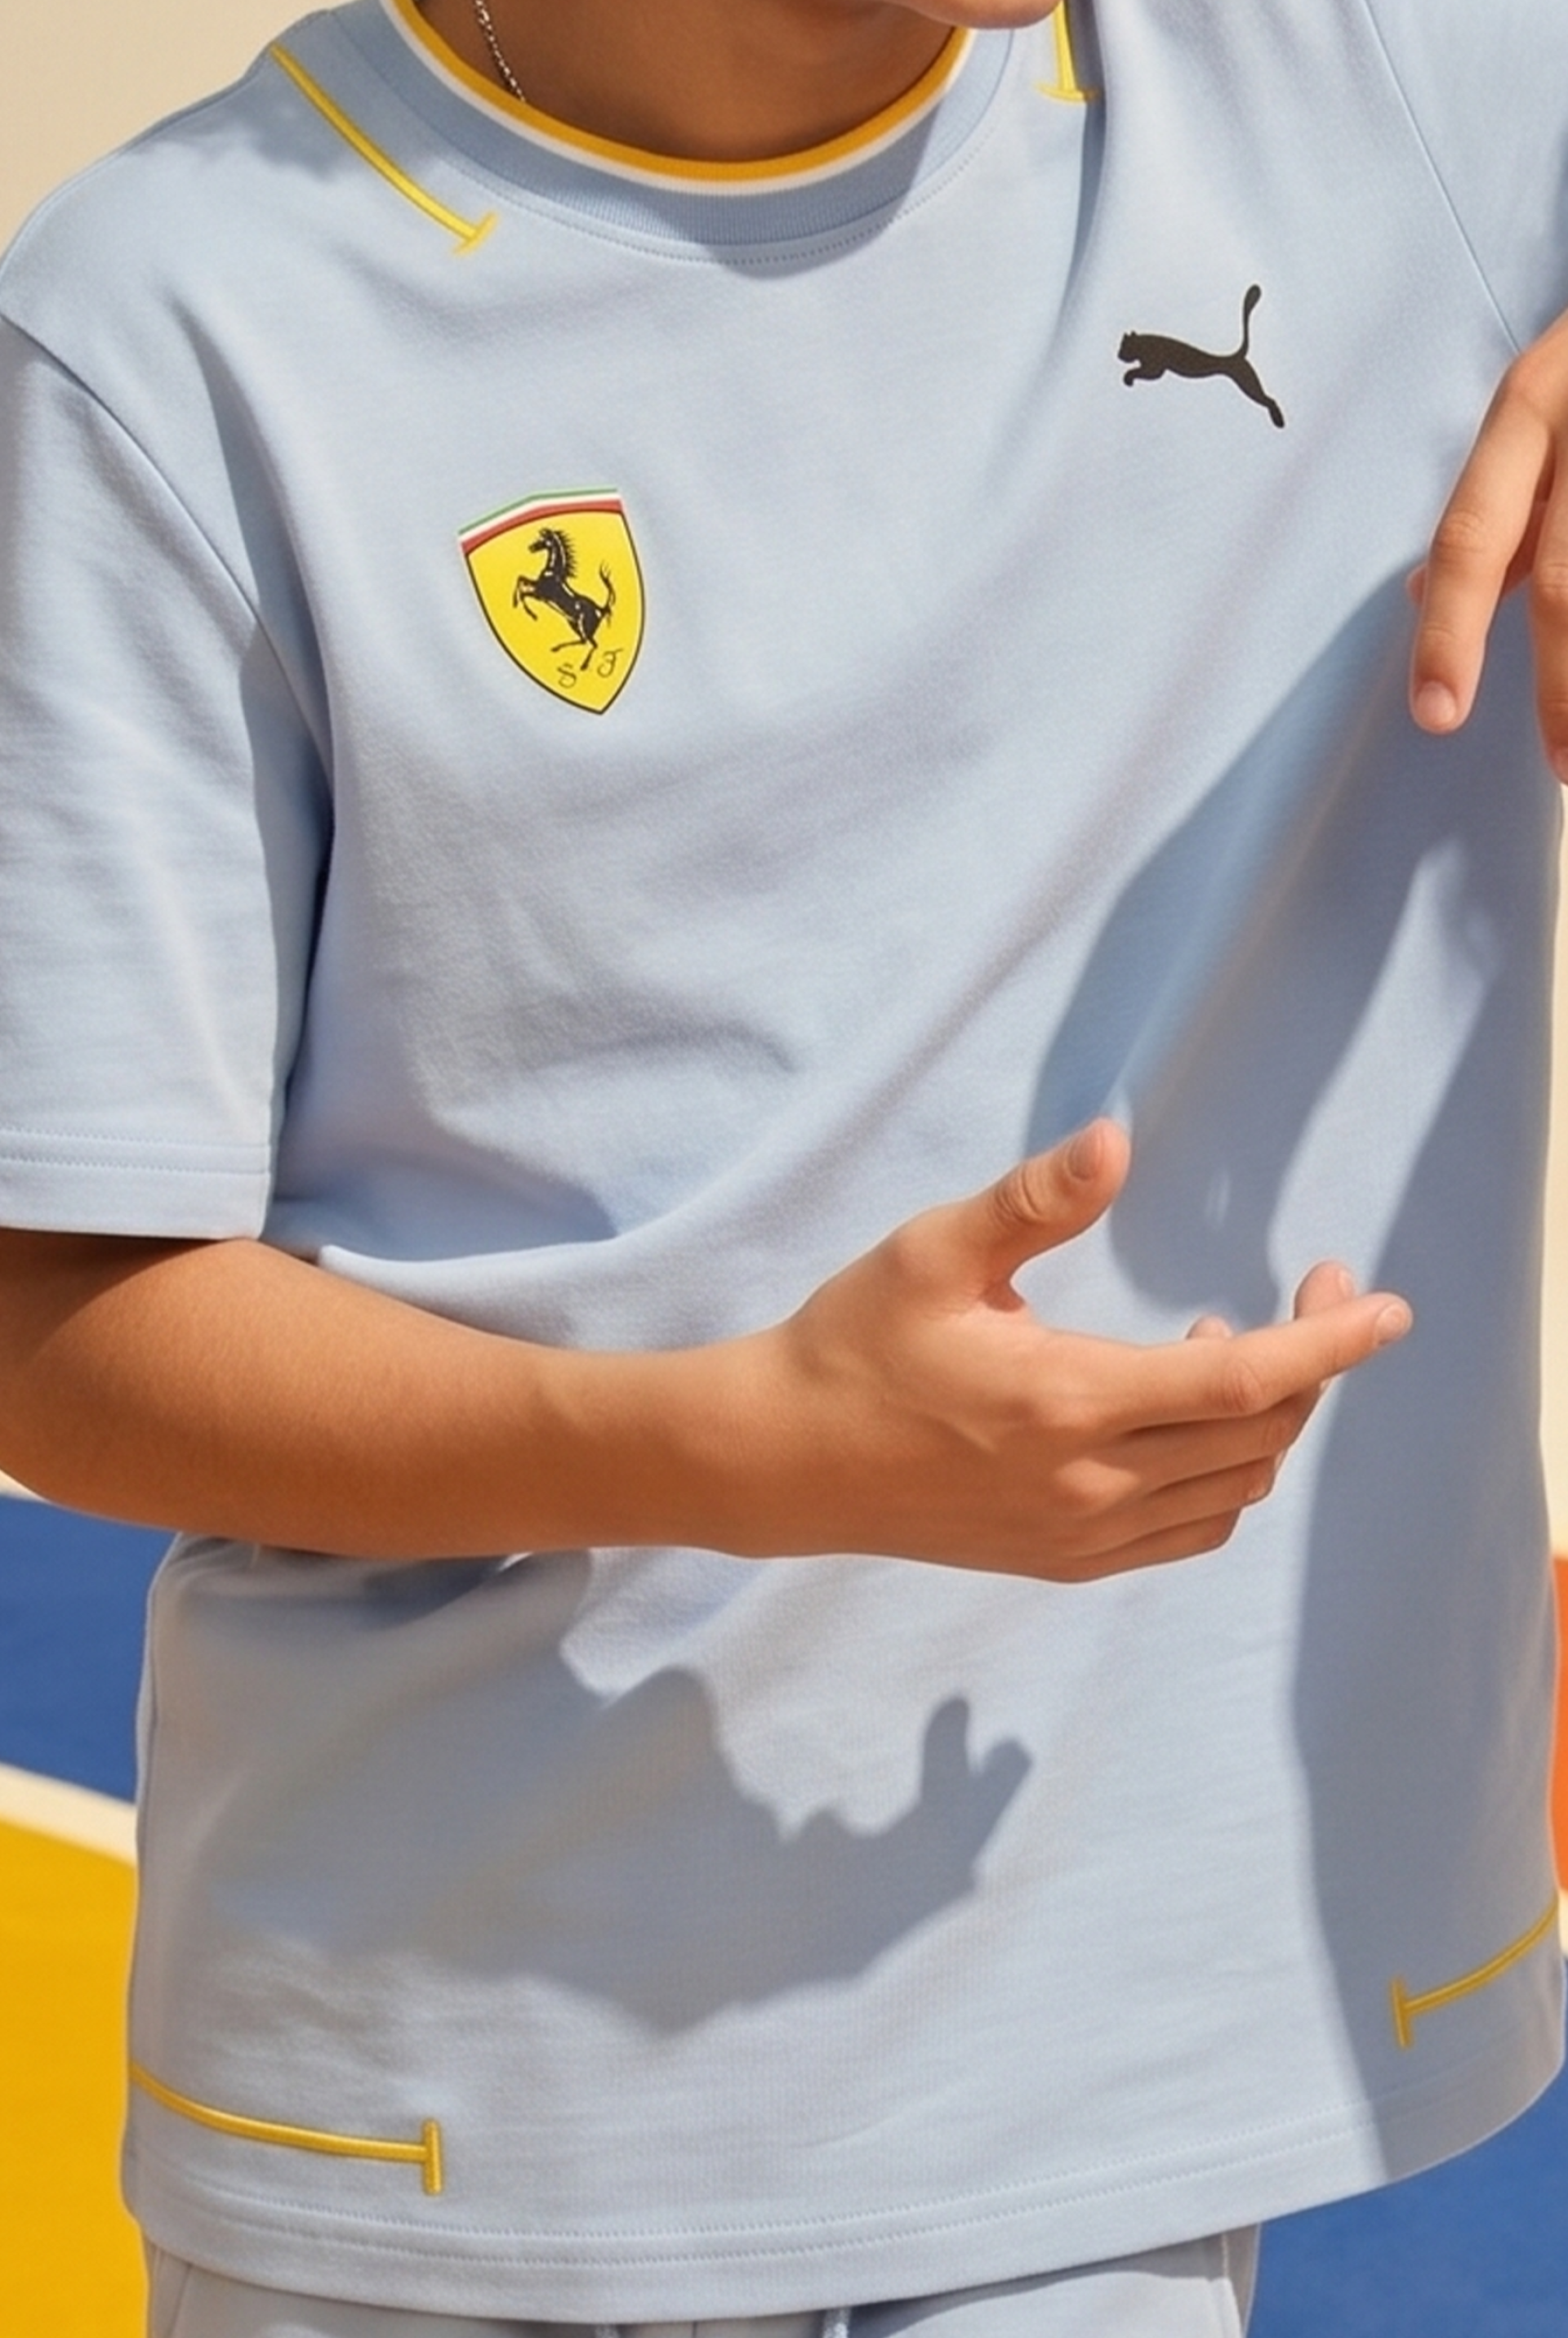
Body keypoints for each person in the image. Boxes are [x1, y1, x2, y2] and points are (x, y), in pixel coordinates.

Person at [0, 0, 1566, 2331]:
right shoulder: (162, 332)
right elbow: (55, 1323)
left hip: (1096, 2115)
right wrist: (735, 1450)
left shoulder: (1390, 74)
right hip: (435, 2123)